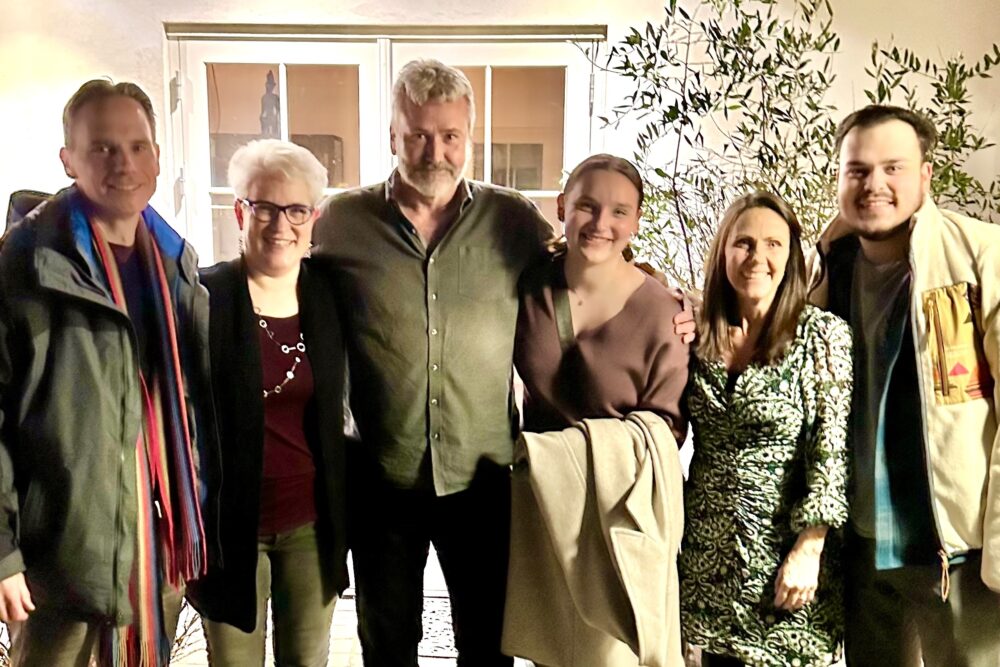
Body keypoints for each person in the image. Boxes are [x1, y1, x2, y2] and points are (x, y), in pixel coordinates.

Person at [312, 58, 554, 667]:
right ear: (392, 136)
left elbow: (585, 274)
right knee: (387, 646)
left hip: (483, 477)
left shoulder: (514, 220)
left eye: (450, 136)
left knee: (488, 646)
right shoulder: (341, 222)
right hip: (382, 476)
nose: (434, 151)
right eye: (417, 134)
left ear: (468, 138)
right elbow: (277, 279)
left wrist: (666, 293)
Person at [0, 79, 219, 666]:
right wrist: (2, 556)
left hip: (157, 554)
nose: (123, 163)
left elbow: (193, 401)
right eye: (102, 147)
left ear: (155, 156)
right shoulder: (22, 265)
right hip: (60, 563)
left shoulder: (175, 262)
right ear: (67, 159)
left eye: (137, 146)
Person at [810, 104, 1000, 666]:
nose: (875, 185)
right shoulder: (828, 273)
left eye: (893, 168)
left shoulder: (980, 255)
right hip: (863, 554)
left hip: (958, 554)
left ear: (925, 175)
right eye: (858, 171)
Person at [503, 154, 690, 666]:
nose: (601, 223)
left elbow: (666, 430)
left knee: (609, 656)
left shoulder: (664, 313)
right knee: (549, 651)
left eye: (619, 212)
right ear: (562, 207)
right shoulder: (528, 285)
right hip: (542, 504)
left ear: (636, 221)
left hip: (616, 514)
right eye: (587, 206)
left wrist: (586, 452)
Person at [186, 139, 348, 666]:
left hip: (310, 526)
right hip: (230, 532)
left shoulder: (331, 295)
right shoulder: (204, 297)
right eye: (265, 207)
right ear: (240, 211)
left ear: (313, 217)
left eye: (296, 209)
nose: (282, 224)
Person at [680, 192, 853, 666]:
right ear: (723, 252)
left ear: (791, 256)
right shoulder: (695, 332)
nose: (758, 257)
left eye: (774, 244)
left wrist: (811, 545)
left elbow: (831, 451)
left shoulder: (823, 335)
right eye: (745, 243)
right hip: (708, 561)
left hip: (786, 564)